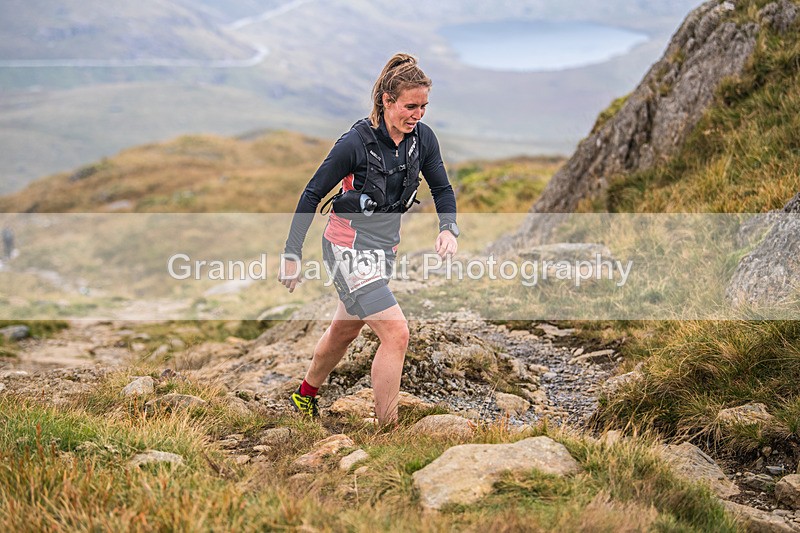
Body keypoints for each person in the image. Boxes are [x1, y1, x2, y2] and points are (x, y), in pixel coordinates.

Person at [278, 53, 459, 425]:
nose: (418, 115)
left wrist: (447, 228)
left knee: (345, 329)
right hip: (347, 247)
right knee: (396, 333)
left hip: (384, 250)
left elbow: (442, 188)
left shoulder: (422, 140)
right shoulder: (355, 143)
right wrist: (291, 253)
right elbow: (311, 194)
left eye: (424, 106)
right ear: (387, 101)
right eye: (410, 106)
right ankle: (388, 430)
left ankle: (304, 396)